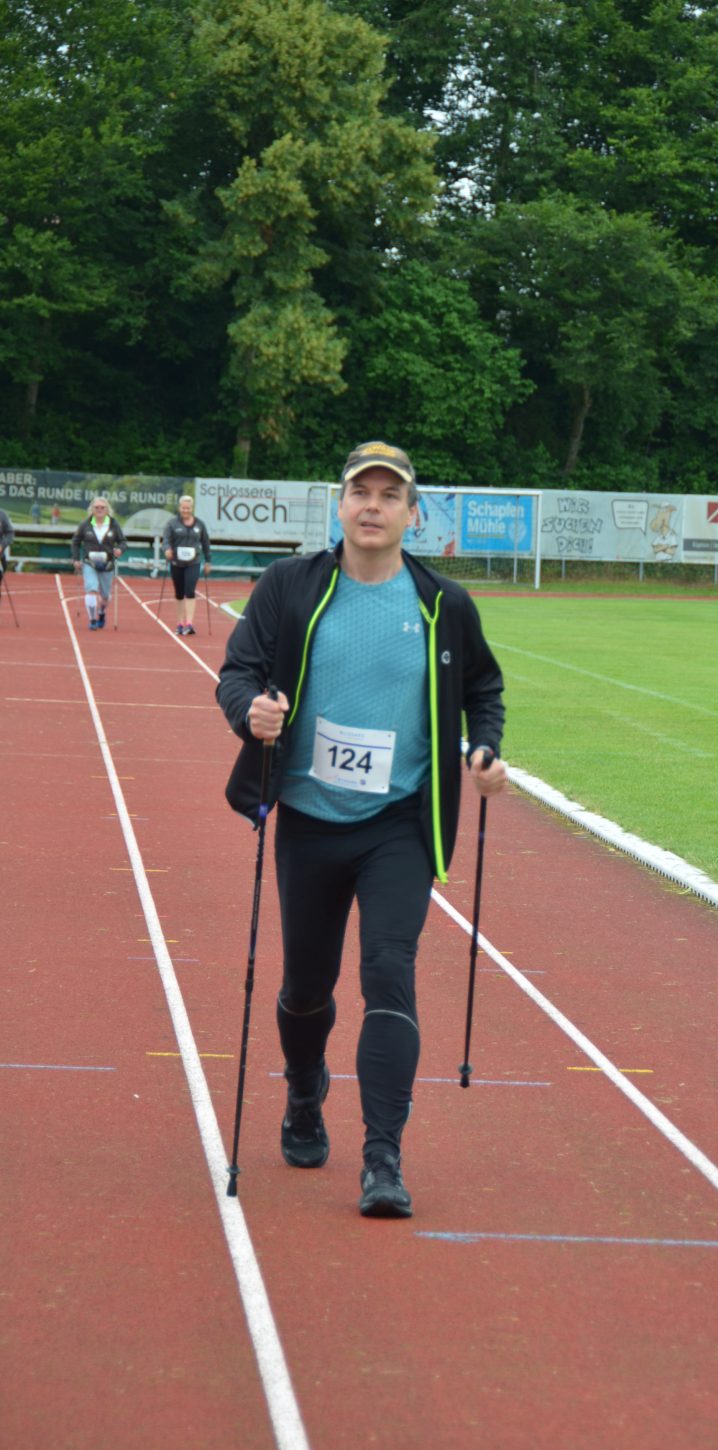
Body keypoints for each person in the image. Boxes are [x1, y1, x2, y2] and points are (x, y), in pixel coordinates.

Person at [216, 440, 507, 1218]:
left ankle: (383, 1158)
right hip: (309, 822)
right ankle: (304, 1091)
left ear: (413, 514)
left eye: (389, 495)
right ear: (339, 505)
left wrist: (484, 749)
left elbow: (483, 687)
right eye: (361, 492)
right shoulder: (290, 586)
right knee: (306, 987)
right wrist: (251, 712)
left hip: (399, 824)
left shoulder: (444, 605)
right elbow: (238, 672)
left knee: (389, 971)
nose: (372, 506)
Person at [71, 498, 125, 629]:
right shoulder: (85, 524)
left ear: (107, 509)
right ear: (92, 509)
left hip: (107, 564)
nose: (99, 510)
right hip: (89, 563)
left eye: (102, 507)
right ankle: (92, 619)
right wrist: (76, 559)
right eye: (96, 507)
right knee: (91, 589)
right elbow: (76, 541)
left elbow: (123, 542)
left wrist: (120, 550)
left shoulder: (113, 524)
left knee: (105, 596)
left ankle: (101, 611)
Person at [162, 494, 212, 635]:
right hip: (176, 562)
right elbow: (166, 541)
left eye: (188, 508)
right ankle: (179, 623)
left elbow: (206, 543)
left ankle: (189, 624)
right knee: (179, 593)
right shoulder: (172, 524)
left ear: (192, 508)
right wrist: (167, 550)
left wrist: (208, 561)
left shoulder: (200, 524)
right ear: (179, 508)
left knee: (190, 591)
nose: (185, 510)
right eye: (183, 508)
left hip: (193, 562)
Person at [0, 507, 13, 575]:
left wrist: (2, 545)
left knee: (2, 568)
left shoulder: (2, 515)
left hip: (0, 555)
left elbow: (10, 533)